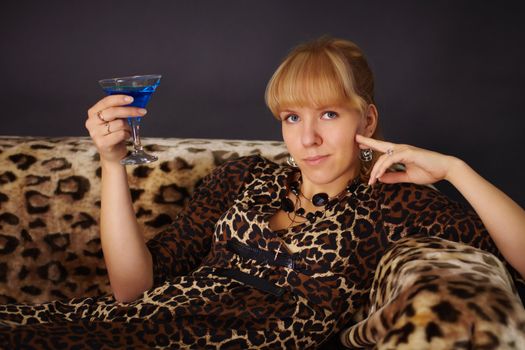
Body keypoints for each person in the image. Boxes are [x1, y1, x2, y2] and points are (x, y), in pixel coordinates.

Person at [1, 36, 524, 349]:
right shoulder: (245, 178)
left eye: (329, 114)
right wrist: (112, 165)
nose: (308, 138)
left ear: (367, 118)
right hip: (138, 326)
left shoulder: (392, 203)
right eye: (292, 116)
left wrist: (457, 170)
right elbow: (132, 292)